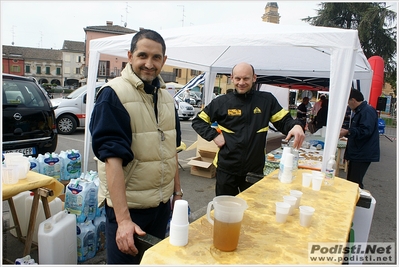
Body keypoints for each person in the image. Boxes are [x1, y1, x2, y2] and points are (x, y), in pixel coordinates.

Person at [89, 29, 183, 264]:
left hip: (160, 206)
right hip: (130, 209)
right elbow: (111, 159)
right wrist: (123, 221)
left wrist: (177, 194)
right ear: (130, 56)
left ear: (164, 60)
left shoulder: (167, 98)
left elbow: (171, 151)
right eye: (143, 56)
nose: (149, 64)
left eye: (156, 57)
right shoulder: (113, 95)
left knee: (152, 262)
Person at [191, 62, 305, 196]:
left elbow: (284, 121)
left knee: (250, 211)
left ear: (254, 78)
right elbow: (198, 121)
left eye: (246, 78)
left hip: (254, 170)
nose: (241, 82)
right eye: (238, 78)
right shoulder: (221, 102)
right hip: (227, 169)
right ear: (231, 78)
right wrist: (214, 135)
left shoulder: (266, 100)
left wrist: (296, 125)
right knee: (226, 213)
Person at [339, 89, 380, 189]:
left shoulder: (367, 111)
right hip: (358, 152)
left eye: (348, 102)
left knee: (355, 183)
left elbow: (365, 131)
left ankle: (355, 203)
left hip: (362, 153)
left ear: (353, 100)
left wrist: (348, 132)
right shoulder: (361, 111)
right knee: (352, 181)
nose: (348, 105)